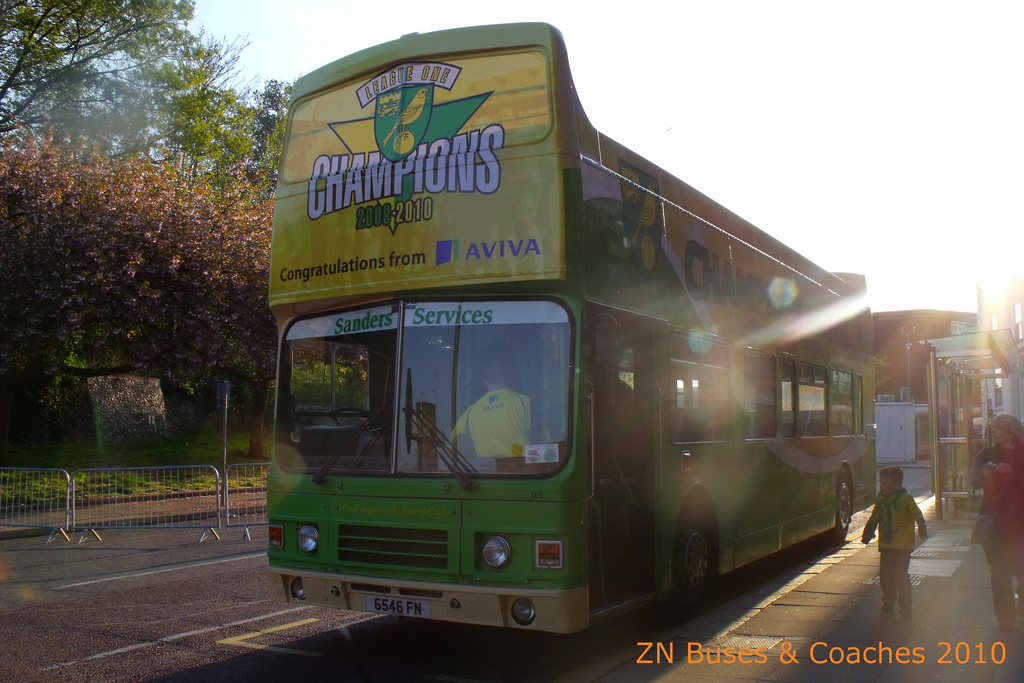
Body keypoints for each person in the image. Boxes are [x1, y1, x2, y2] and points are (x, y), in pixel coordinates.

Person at [970, 413, 1024, 631]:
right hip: (993, 520)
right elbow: (973, 482)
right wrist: (984, 475)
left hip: (1020, 521)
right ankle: (1004, 617)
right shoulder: (985, 454)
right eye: (993, 428)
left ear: (1011, 431)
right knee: (999, 571)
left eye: (999, 428)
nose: (993, 431)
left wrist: (1013, 473)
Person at [861, 465, 928, 617]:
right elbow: (875, 516)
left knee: (900, 575)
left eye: (885, 483)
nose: (881, 486)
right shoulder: (881, 498)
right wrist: (868, 533)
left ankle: (905, 605)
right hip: (885, 544)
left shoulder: (906, 499)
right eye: (881, 482)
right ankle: (888, 601)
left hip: (902, 546)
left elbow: (917, 515)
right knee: (885, 576)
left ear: (896, 484)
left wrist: (922, 529)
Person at [453, 361, 530, 469]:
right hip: (522, 474)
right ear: (510, 379)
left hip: (486, 475)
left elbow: (453, 440)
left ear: (485, 382)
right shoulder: (525, 402)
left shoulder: (471, 411)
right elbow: (545, 440)